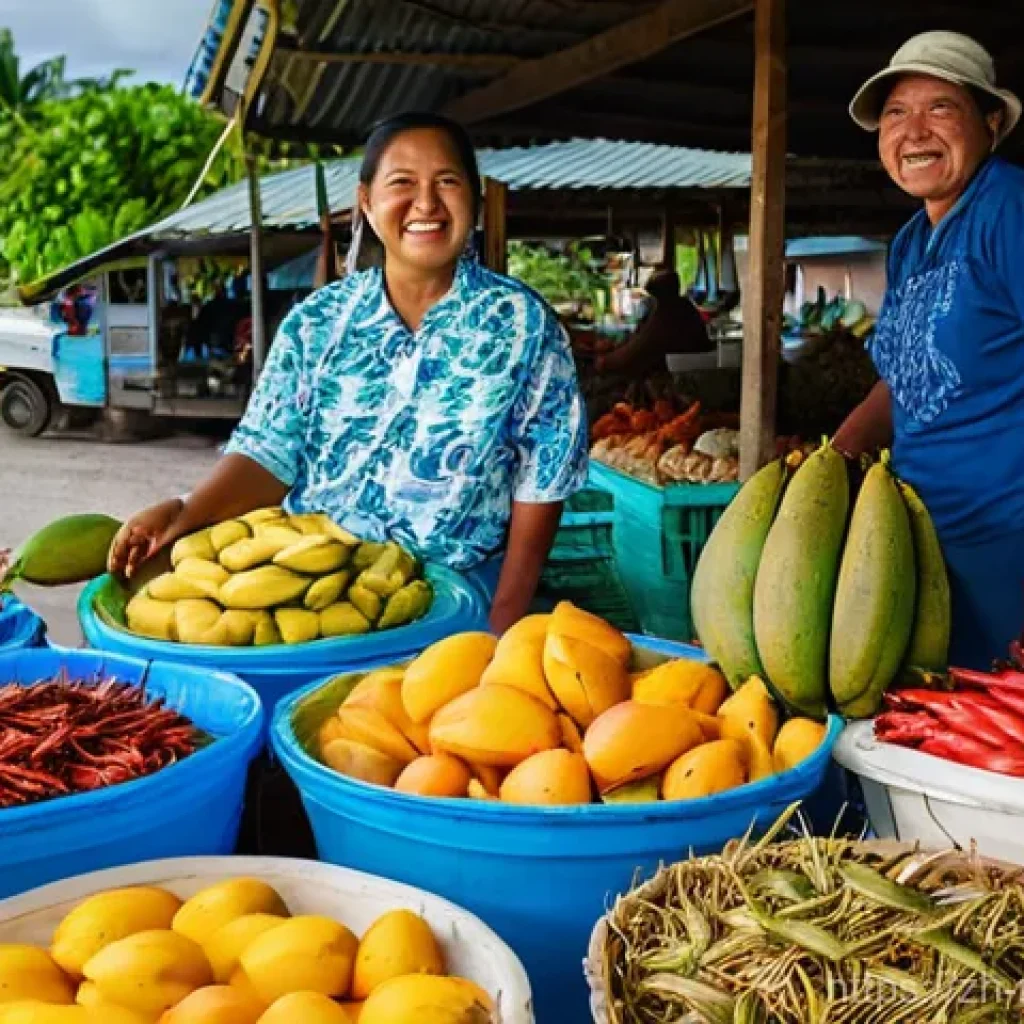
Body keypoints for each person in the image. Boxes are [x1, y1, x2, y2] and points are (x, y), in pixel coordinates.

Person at [108, 112, 588, 633]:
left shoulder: (522, 325)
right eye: (402, 183)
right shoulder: (317, 322)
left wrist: (502, 621)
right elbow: (268, 450)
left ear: (475, 200)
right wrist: (183, 511)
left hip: (456, 601)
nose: (426, 204)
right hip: (316, 591)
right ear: (366, 201)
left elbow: (541, 482)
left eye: (446, 182)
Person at [834, 30, 1024, 668]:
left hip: (1008, 550)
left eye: (940, 108)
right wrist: (830, 463)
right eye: (895, 113)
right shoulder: (911, 242)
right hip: (922, 549)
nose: (914, 131)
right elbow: (903, 379)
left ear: (990, 121)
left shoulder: (1010, 209)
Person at [595, 266, 713, 381]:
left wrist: (606, 362)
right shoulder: (684, 306)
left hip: (686, 377)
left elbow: (638, 350)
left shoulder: (667, 316)